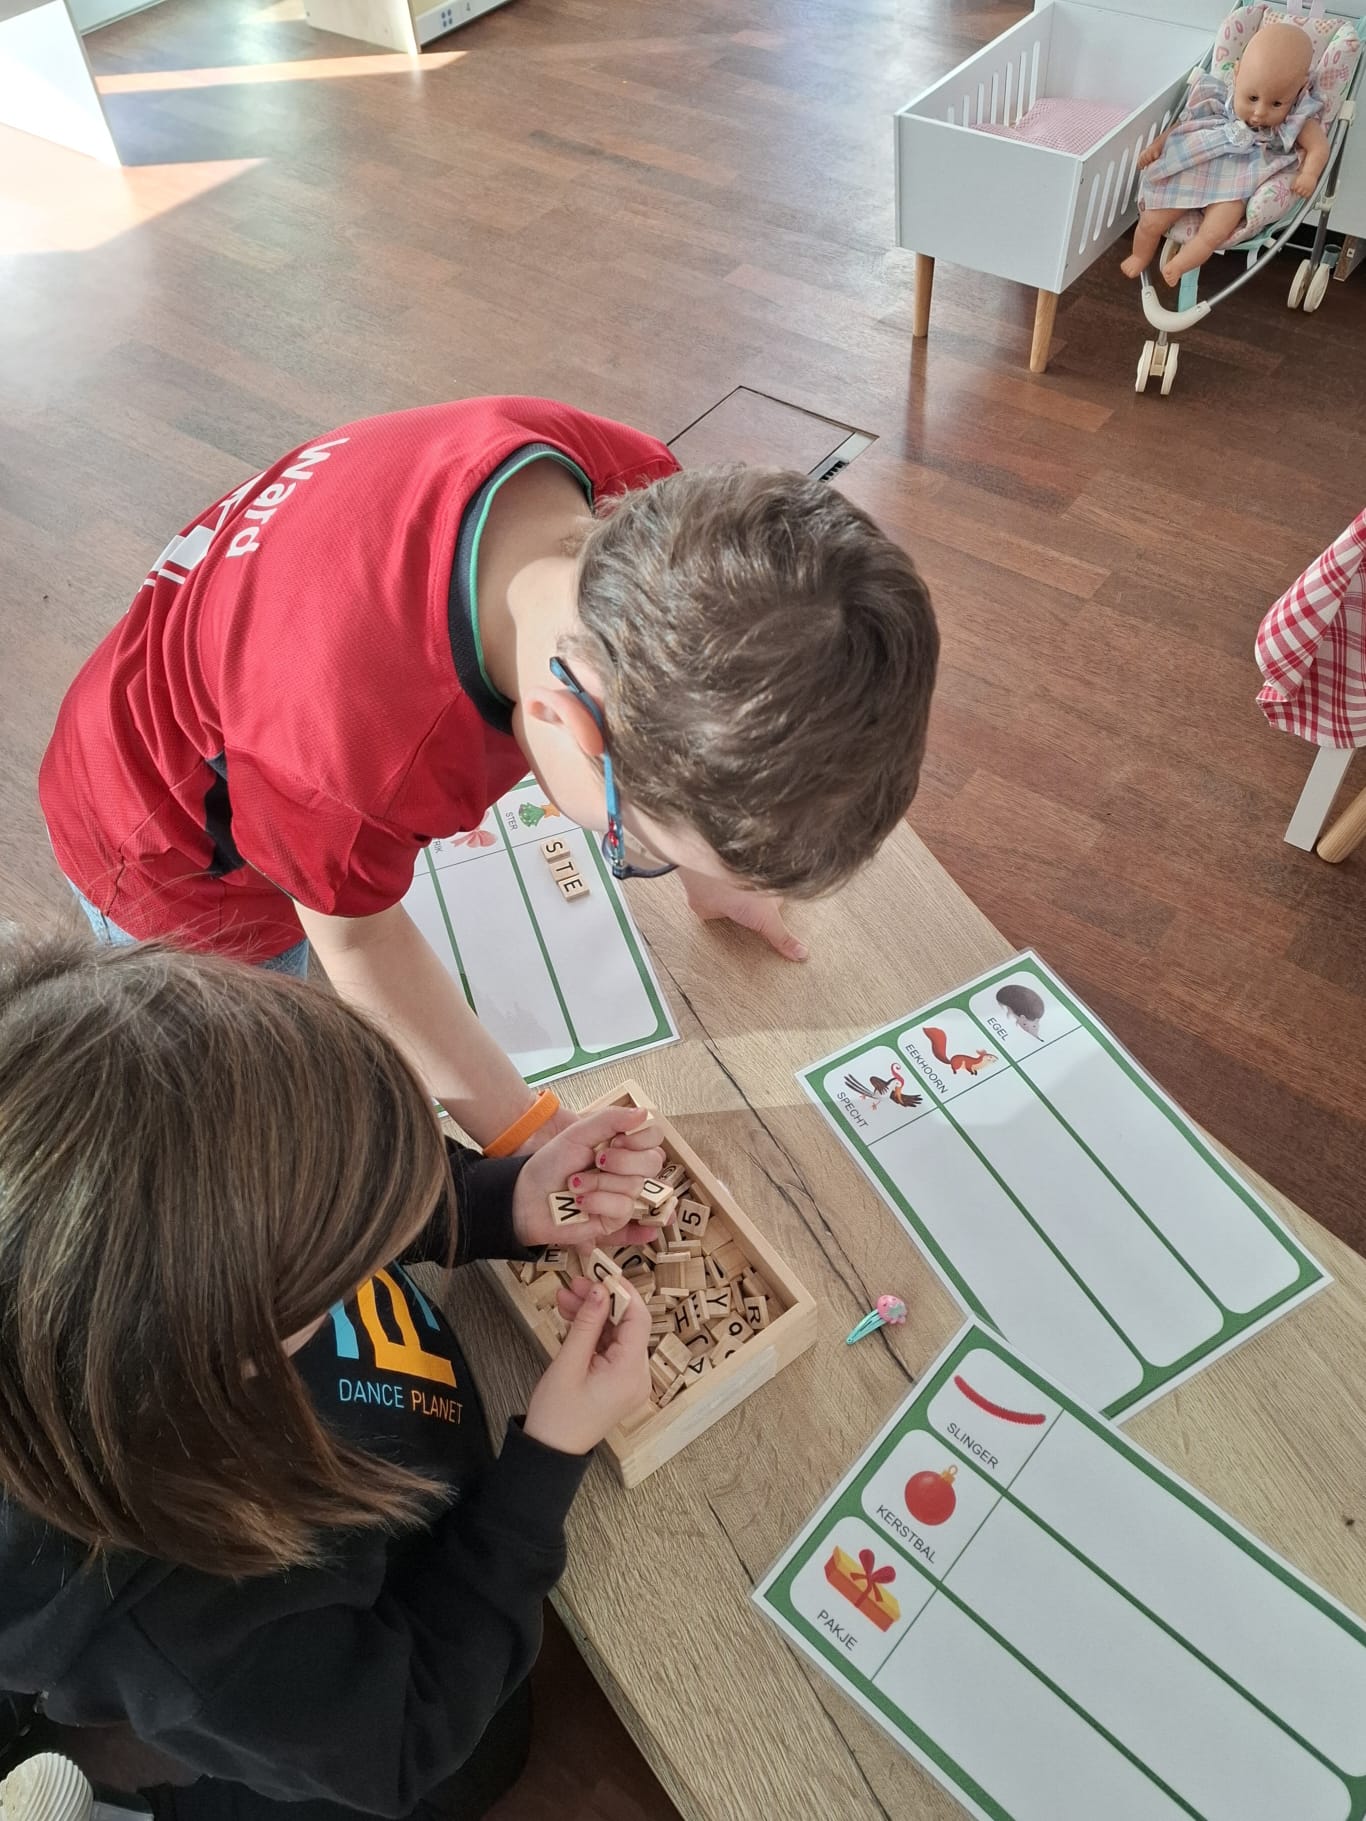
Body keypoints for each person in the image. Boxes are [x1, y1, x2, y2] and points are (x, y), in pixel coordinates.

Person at [39, 398, 939, 1153]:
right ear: (562, 720)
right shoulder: (346, 764)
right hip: (167, 845)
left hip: (245, 672)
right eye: (639, 846)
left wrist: (714, 859)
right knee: (247, 1060)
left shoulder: (632, 495)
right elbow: (364, 948)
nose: (646, 855)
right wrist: (524, 1131)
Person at [0, 935, 664, 1819]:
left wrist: (498, 1200)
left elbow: (319, 1196)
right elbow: (410, 1734)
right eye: (343, 1254)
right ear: (228, 1347)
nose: (372, 1235)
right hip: (407, 1712)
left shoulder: (169, 1276)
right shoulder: (189, 1631)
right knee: (488, 1754)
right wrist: (546, 1462)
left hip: (412, 1490)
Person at [1121, 21, 1329, 286]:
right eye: (1252, 98)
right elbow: (1184, 124)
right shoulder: (1219, 96)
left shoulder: (1296, 119)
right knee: (1151, 220)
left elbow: (1318, 147)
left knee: (1214, 232)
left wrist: (1309, 174)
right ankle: (1140, 255)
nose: (1260, 112)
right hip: (1196, 165)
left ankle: (1181, 264)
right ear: (1237, 74)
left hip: (1238, 182)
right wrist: (1157, 146)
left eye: (1277, 103)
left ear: (1299, 90)